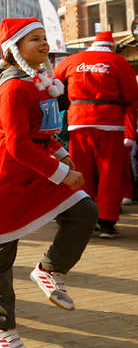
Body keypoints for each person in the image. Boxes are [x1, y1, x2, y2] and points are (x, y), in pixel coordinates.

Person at [0, 18, 96, 348]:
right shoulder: (13, 88)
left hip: (38, 168)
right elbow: (18, 144)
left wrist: (61, 153)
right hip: (9, 175)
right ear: (15, 49)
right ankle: (0, 326)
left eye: (44, 37)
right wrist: (62, 173)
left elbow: (40, 132)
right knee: (2, 251)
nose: (44, 43)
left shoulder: (39, 81)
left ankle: (49, 269)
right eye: (34, 39)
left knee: (84, 210)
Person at [53, 30, 138, 238]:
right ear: (112, 46)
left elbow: (52, 84)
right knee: (110, 173)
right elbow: (132, 96)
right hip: (110, 124)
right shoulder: (118, 62)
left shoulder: (73, 60)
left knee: (81, 171)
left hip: (78, 122)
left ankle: (83, 219)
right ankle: (107, 222)